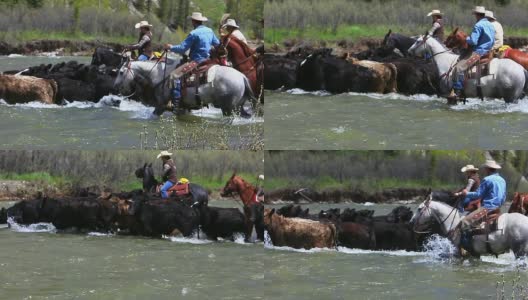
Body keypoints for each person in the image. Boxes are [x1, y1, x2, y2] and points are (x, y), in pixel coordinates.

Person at [163, 12, 220, 112]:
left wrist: (170, 47)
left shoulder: (194, 33)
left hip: (197, 61)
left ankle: (176, 104)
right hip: (208, 60)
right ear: (201, 21)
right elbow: (217, 44)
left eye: (192, 21)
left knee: (173, 76)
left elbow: (182, 48)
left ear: (193, 21)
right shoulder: (210, 31)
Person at [449, 6, 495, 101]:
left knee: (458, 68)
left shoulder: (478, 25)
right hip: (489, 51)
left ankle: (457, 92)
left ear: (477, 15)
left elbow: (473, 41)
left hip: (479, 52)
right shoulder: (491, 25)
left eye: (475, 15)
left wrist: (466, 39)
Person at [460, 160, 506, 230]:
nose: (484, 170)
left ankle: (465, 241)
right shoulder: (502, 180)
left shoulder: (487, 179)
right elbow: (503, 197)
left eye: (485, 168)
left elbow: (478, 194)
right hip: (497, 209)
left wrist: (466, 193)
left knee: (464, 222)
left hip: (487, 209)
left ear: (487, 169)